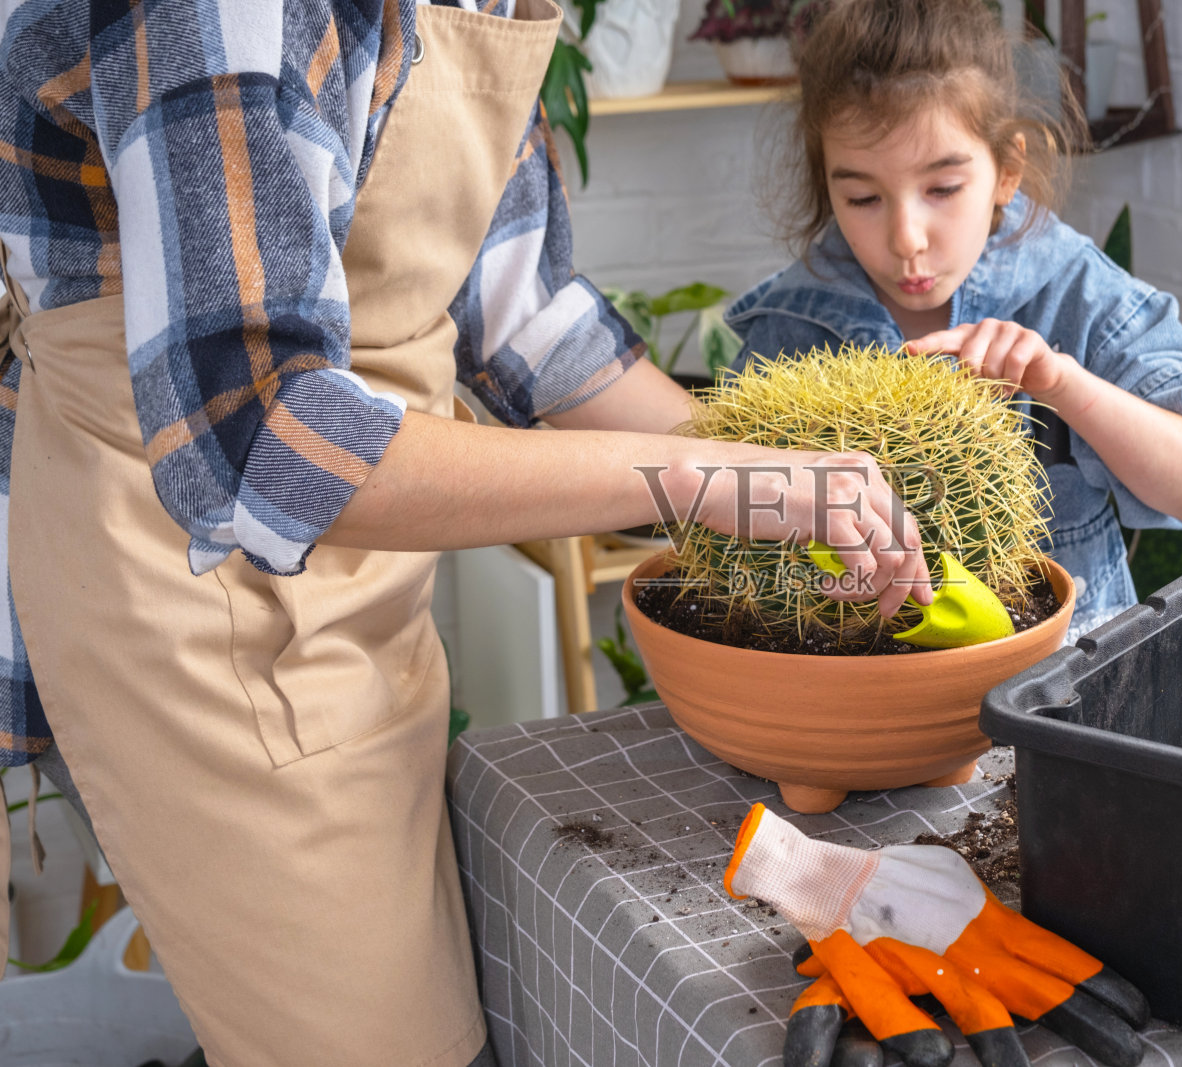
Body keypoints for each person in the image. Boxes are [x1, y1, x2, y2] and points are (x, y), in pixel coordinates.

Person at [0, 2, 929, 1065]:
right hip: (196, 592)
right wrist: (711, 480)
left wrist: (803, 484)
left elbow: (527, 312)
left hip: (368, 572)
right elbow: (257, 432)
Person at [726, 0, 1182, 624]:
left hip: (1059, 689)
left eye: (943, 189)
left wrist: (1062, 383)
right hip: (865, 694)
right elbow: (740, 535)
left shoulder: (1078, 292)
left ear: (1007, 172)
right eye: (862, 196)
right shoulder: (790, 324)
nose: (907, 238)